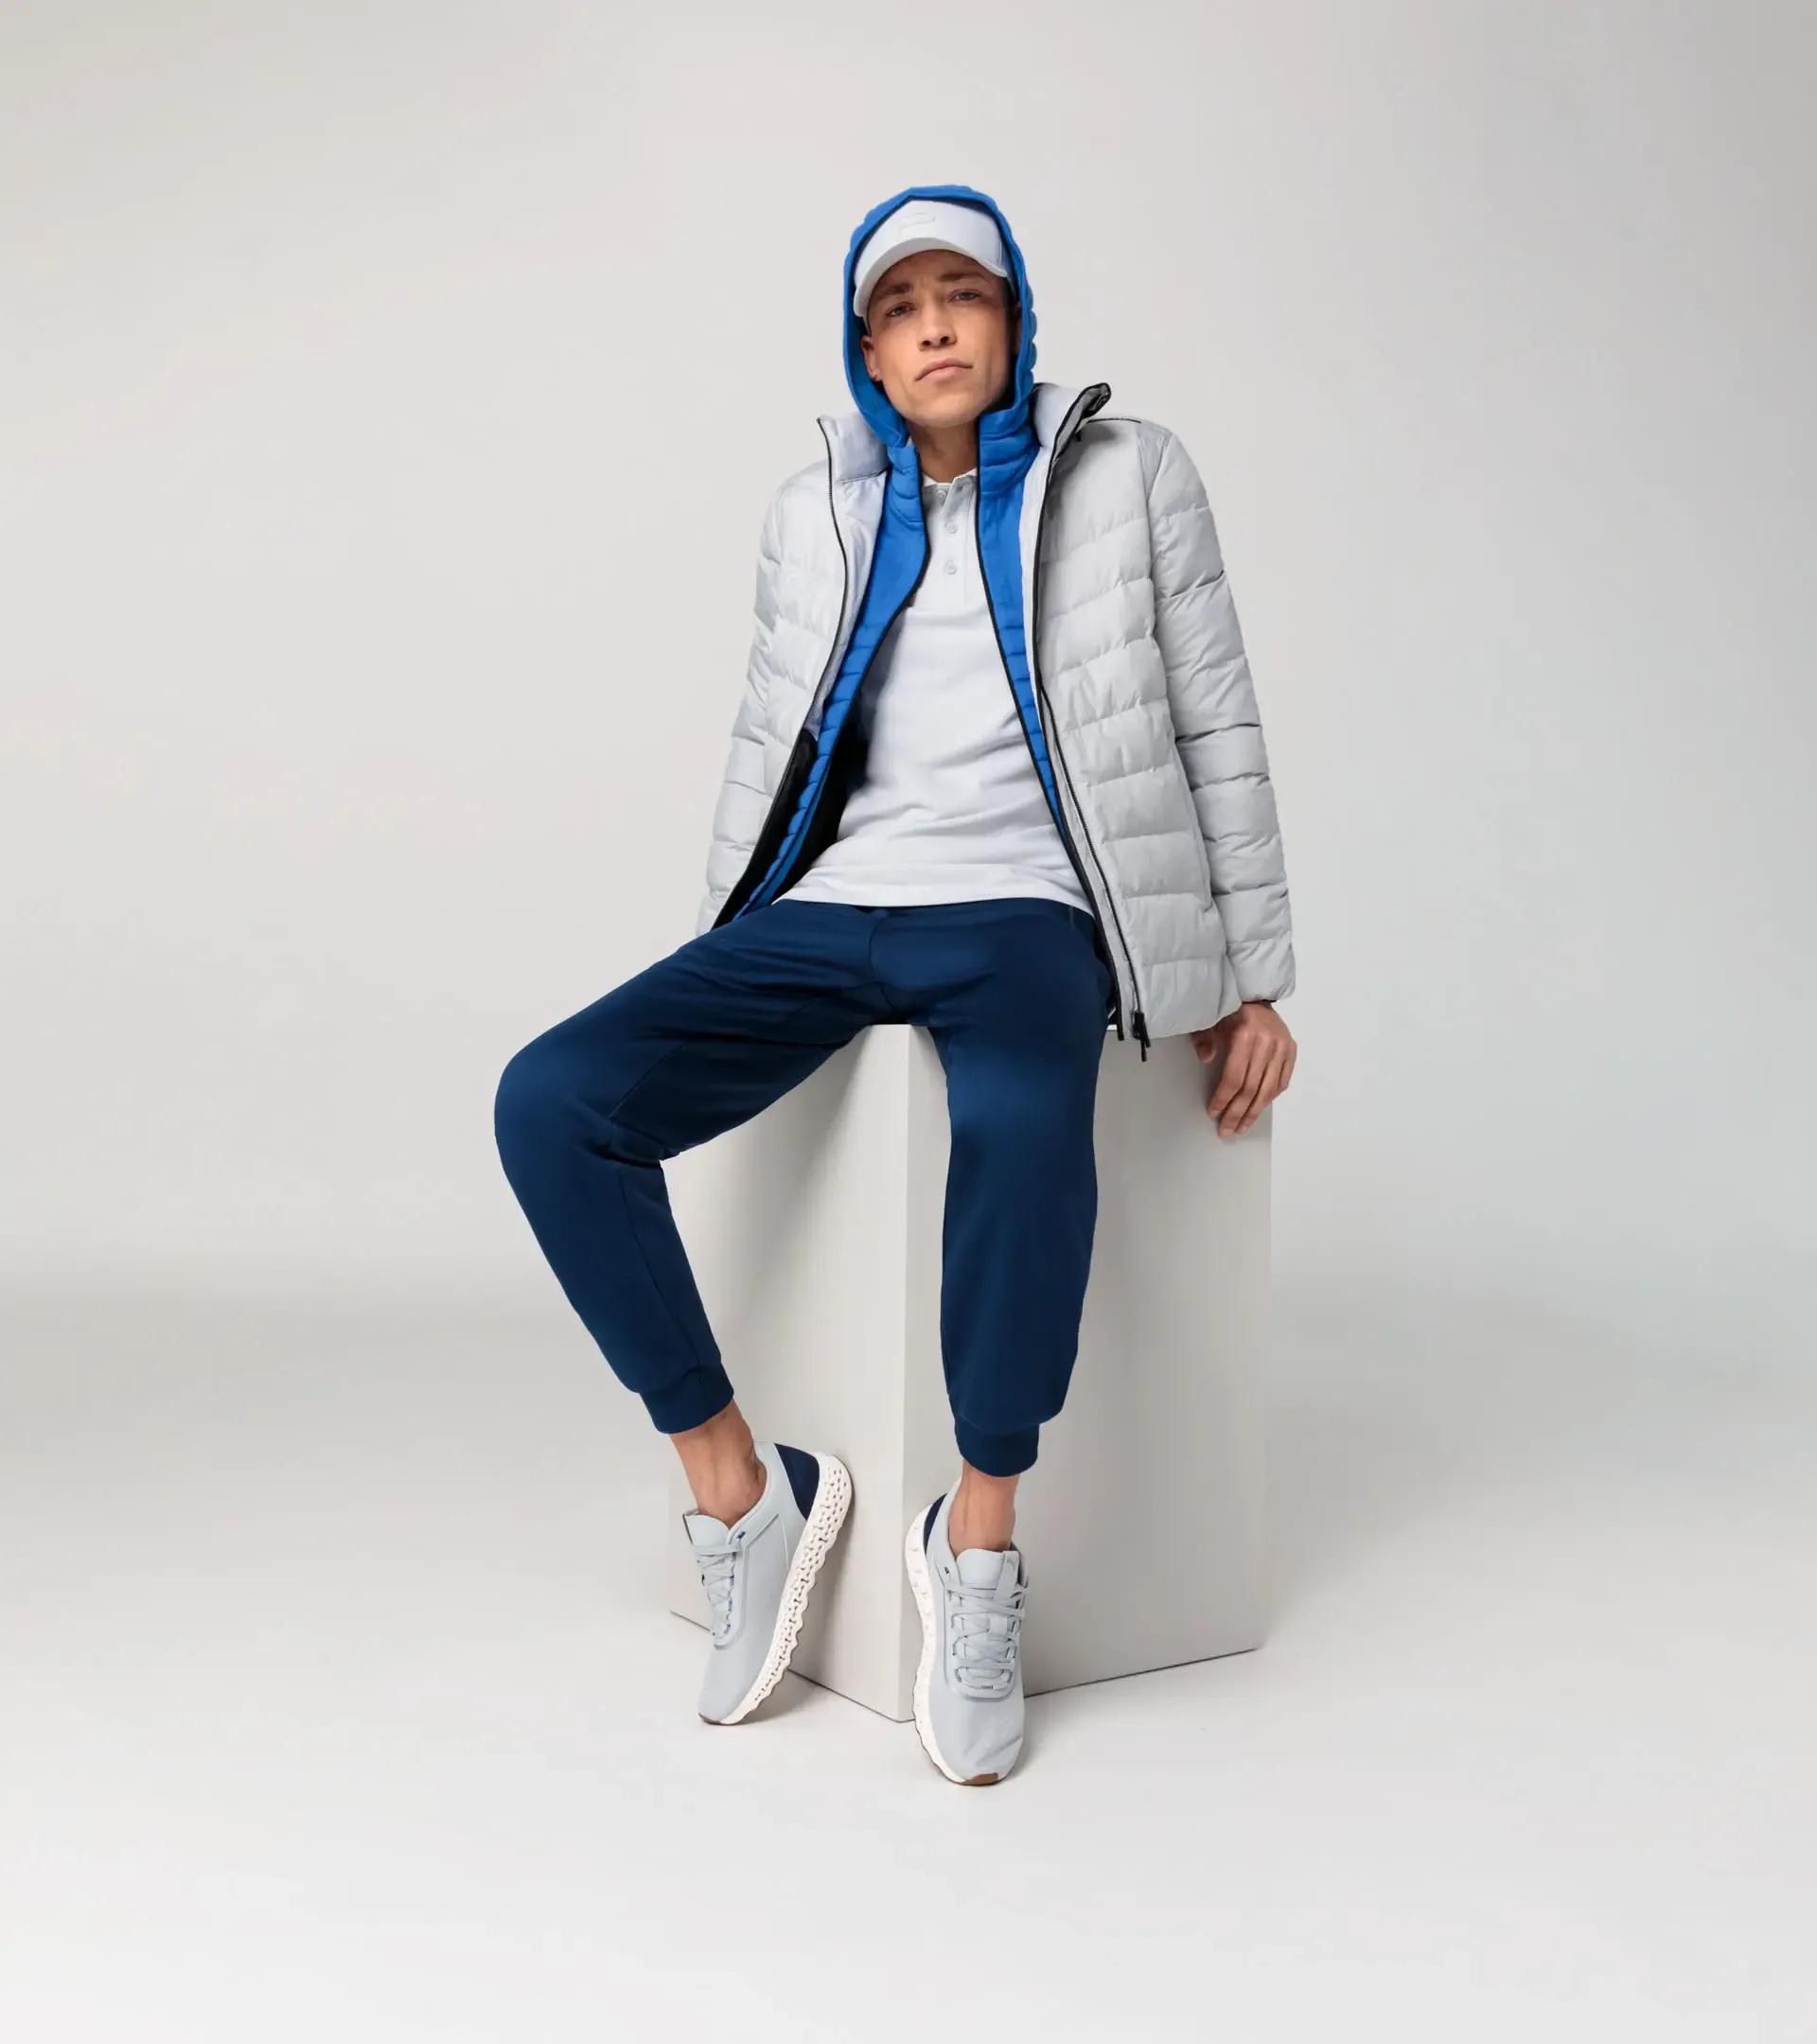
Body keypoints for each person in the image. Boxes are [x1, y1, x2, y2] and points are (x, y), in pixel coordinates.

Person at [494, 183, 1297, 1786]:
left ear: (1015, 319)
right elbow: (765, 738)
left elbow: (1214, 713)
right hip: (834, 907)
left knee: (1021, 1133)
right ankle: (741, 1492)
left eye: (964, 296)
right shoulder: (816, 510)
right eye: (900, 309)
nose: (934, 328)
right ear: (867, 351)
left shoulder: (1132, 475)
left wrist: (1252, 973)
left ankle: (977, 1544)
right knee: (552, 1101)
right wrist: (721, 942)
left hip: (1026, 911)